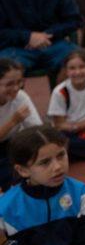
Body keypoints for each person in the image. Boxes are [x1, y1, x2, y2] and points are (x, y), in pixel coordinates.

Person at [0, 125, 85, 245]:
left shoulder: (81, 193)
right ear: (23, 170)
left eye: (61, 155)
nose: (57, 167)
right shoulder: (5, 208)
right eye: (45, 162)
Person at [0, 58, 42, 191]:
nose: (16, 88)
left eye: (20, 82)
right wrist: (14, 121)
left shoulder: (21, 97)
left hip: (11, 145)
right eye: (9, 84)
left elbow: (36, 130)